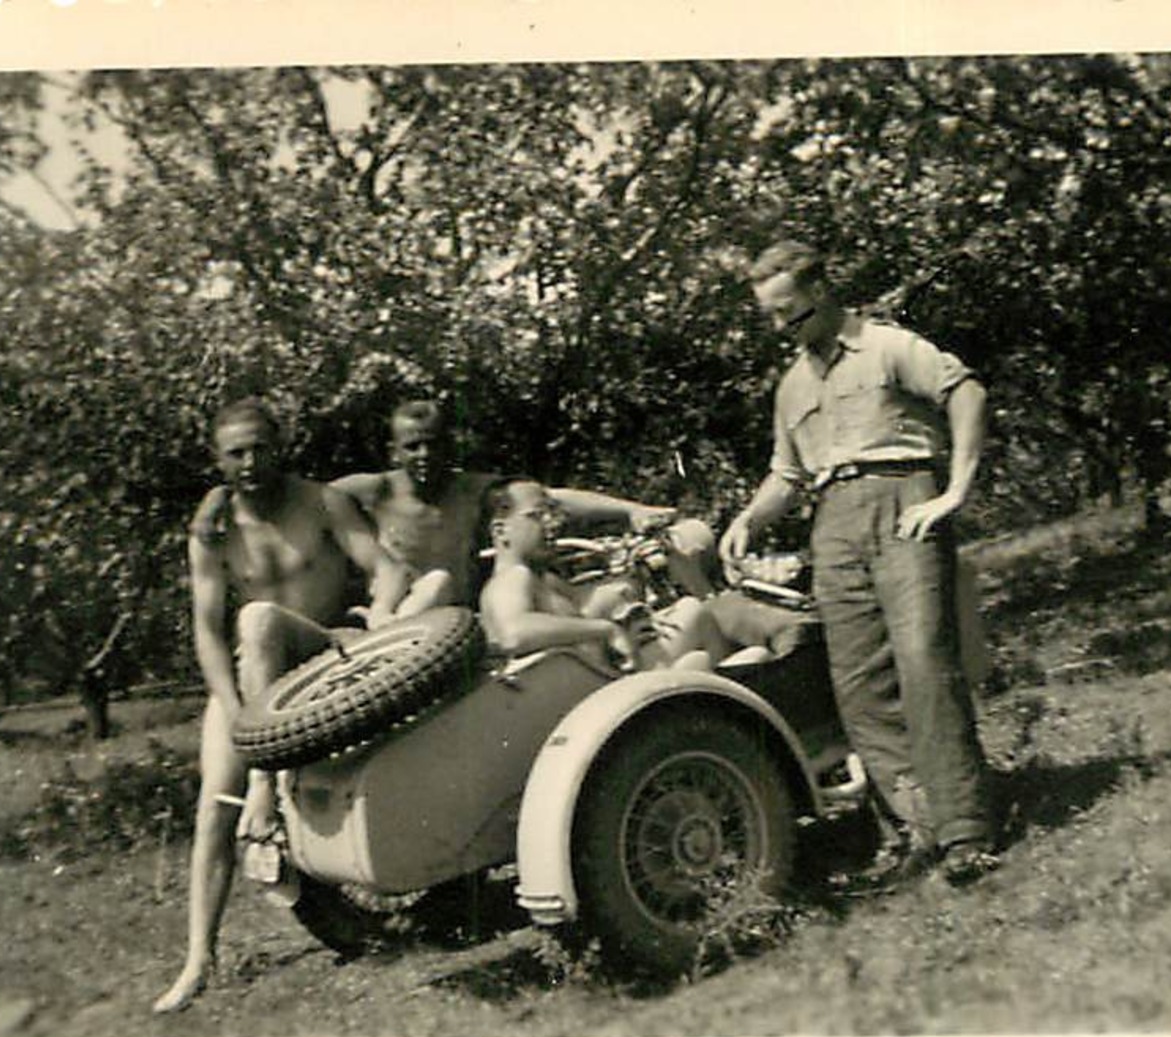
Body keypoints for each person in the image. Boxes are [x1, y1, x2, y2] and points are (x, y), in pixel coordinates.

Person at [718, 240, 999, 885]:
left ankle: (966, 833)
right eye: (769, 315)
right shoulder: (792, 386)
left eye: (788, 310)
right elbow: (787, 475)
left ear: (819, 290)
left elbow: (967, 394)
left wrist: (954, 491)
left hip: (904, 496)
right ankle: (914, 826)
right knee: (858, 683)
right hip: (832, 522)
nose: (780, 326)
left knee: (924, 660)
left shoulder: (888, 345)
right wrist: (747, 519)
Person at [153, 397, 413, 1014]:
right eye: (236, 452)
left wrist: (375, 620)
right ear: (217, 459)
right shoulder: (212, 531)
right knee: (214, 805)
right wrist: (233, 706)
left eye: (261, 447)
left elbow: (388, 569)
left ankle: (264, 789)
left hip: (316, 654)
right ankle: (198, 960)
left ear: (282, 445)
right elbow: (207, 633)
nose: (251, 461)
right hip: (251, 681)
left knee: (262, 618)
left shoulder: (322, 502)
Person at [330, 400, 677, 607]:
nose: (426, 455)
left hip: (462, 619)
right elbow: (312, 501)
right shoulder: (373, 492)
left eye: (435, 444)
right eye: (414, 446)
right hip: (405, 619)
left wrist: (631, 510)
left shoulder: (469, 489)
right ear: (394, 451)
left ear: (450, 445)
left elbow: (548, 500)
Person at [479, 477, 725, 671]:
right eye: (537, 515)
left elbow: (583, 614)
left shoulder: (541, 579)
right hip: (597, 688)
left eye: (552, 513)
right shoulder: (512, 578)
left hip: (600, 677)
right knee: (695, 615)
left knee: (699, 647)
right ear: (501, 530)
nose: (551, 524)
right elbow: (514, 632)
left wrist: (630, 621)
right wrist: (606, 630)